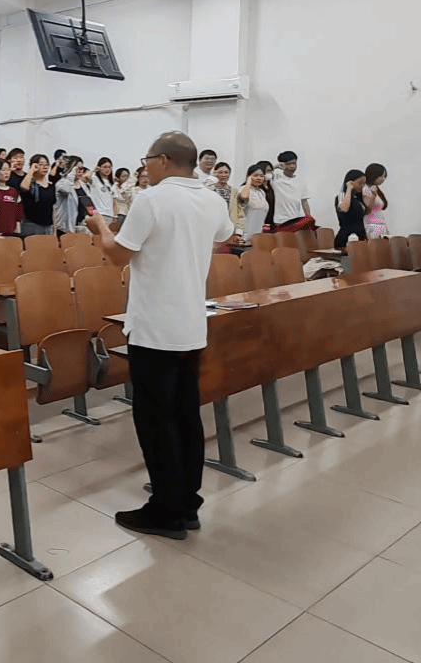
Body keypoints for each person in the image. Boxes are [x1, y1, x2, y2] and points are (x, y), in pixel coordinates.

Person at [86, 131, 234, 540]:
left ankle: (166, 512)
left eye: (147, 160)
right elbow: (224, 234)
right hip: (191, 325)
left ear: (164, 160)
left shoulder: (151, 199)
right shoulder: (211, 199)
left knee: (156, 419)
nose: (145, 167)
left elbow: (117, 255)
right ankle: (187, 503)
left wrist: (99, 227)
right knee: (185, 415)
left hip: (154, 328)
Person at [271, 151, 313, 231]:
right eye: (288, 164)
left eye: (294, 163)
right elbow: (262, 175)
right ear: (282, 164)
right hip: (280, 221)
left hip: (296, 220)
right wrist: (275, 166)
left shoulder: (300, 181)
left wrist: (308, 218)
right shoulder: (275, 177)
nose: (292, 166)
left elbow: (304, 202)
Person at [18, 154, 56, 236]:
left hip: (48, 226)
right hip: (31, 225)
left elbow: (54, 208)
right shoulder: (30, 184)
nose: (45, 167)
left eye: (46, 165)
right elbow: (24, 187)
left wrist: (54, 229)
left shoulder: (51, 187)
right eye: (41, 164)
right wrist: (32, 170)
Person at [54, 155, 92, 235]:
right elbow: (66, 189)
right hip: (65, 228)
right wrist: (71, 174)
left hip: (80, 226)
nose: (80, 171)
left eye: (82, 168)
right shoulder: (61, 183)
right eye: (78, 169)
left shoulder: (82, 185)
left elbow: (87, 203)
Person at [0, 159, 24, 235]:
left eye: (8, 170)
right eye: (3, 170)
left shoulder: (14, 192)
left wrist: (18, 233)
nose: (7, 173)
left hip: (11, 234)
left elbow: (18, 217)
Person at [233, 162, 270, 238]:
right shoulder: (243, 189)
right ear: (248, 176)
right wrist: (248, 182)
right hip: (244, 233)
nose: (259, 178)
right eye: (255, 175)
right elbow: (244, 197)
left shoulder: (261, 192)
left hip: (258, 234)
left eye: (261, 176)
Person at [334, 169, 368, 247]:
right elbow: (344, 208)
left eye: (364, 184)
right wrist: (349, 188)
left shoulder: (358, 198)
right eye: (360, 183)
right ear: (350, 182)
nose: (362, 186)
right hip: (347, 237)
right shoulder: (342, 195)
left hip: (360, 235)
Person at [362, 163, 390, 239]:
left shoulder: (376, 189)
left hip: (380, 224)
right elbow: (367, 209)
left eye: (384, 176)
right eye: (381, 176)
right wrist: (373, 196)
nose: (383, 179)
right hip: (371, 225)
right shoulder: (365, 188)